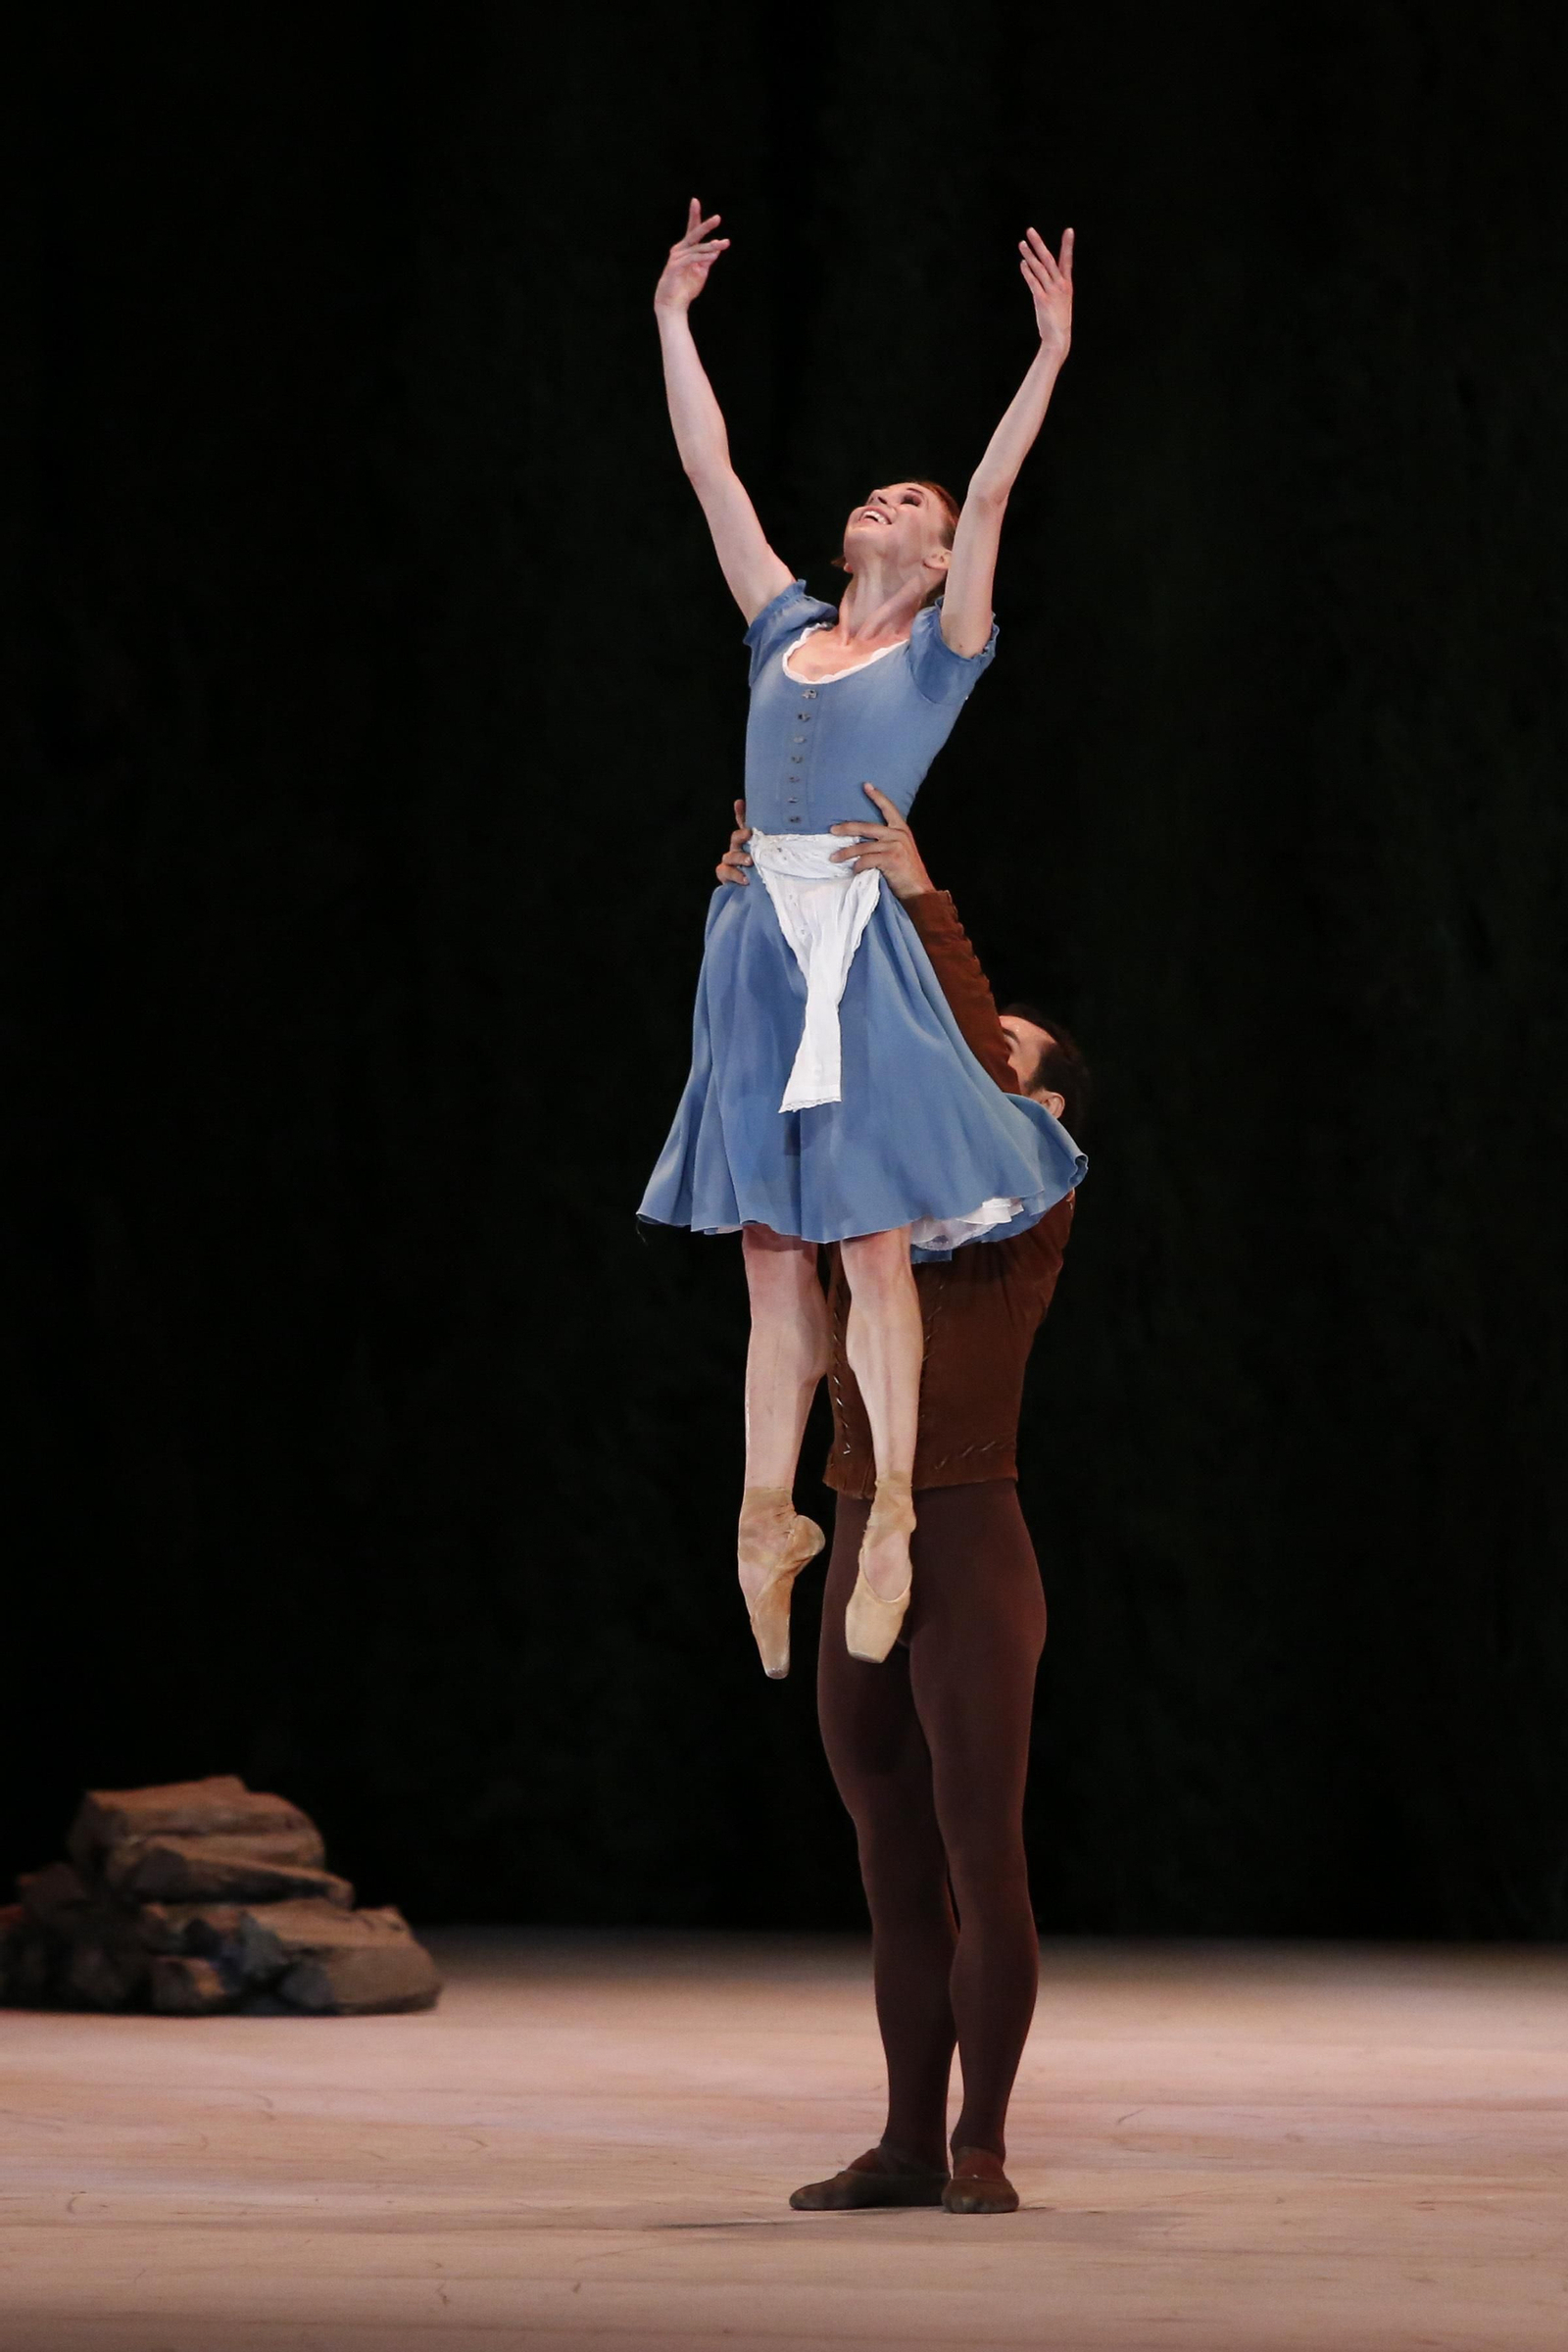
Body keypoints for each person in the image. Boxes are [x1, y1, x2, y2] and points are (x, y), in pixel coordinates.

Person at [639, 199, 1085, 1675]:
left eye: (910, 505)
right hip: (751, 936)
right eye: (877, 494)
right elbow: (709, 473)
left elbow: (995, 492)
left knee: (872, 1241)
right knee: (772, 1253)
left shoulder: (941, 657)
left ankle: (889, 1514)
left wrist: (1049, 353)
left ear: (942, 557)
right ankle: (766, 1516)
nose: (884, 504)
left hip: (854, 944)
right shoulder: (783, 627)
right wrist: (672, 321)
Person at [714, 797, 1086, 2218]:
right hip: (865, 1530)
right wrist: (763, 905)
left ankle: (981, 2141)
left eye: (1008, 1058)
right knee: (889, 1856)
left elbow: (961, 1046)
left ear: (1044, 1108)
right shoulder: (871, 1203)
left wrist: (923, 898)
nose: (974, 1059)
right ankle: (906, 2142)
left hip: (971, 1543)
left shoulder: (1031, 1194)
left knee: (981, 1850)